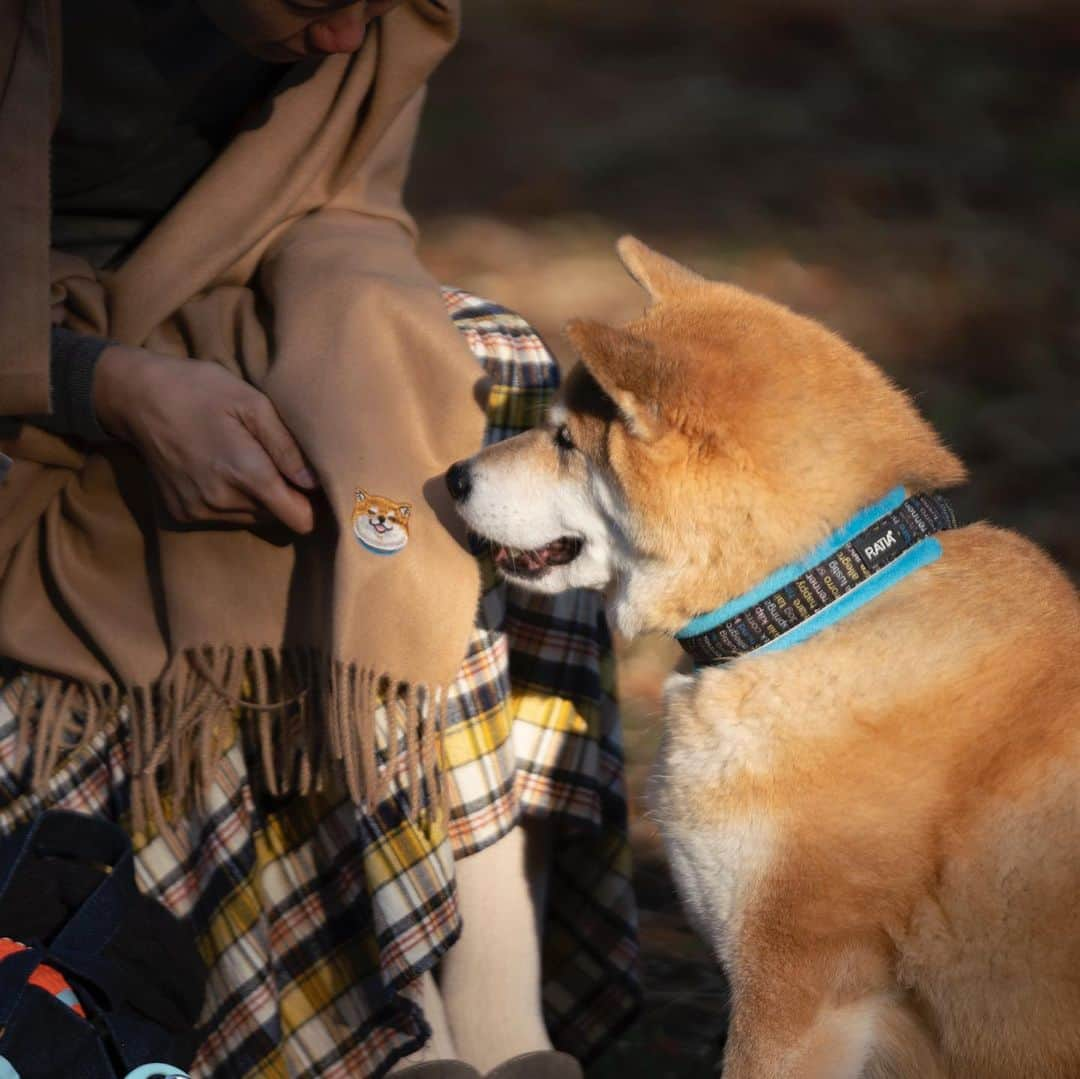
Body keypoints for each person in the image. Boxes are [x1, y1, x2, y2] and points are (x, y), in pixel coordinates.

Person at [0, 2, 639, 1076]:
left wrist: (373, 370)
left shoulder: (377, 20)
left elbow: (344, 208)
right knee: (264, 525)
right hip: (39, 339)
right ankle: (377, 1019)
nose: (347, 41)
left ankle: (500, 1014)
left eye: (369, 7)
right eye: (312, 4)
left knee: (455, 409)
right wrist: (105, 385)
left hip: (235, 288)